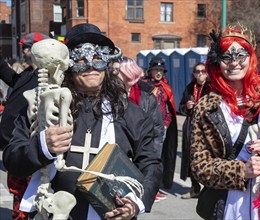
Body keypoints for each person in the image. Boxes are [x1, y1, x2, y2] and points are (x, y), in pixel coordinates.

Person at [3, 23, 162, 219]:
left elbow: (151, 163)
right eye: (80, 59)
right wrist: (42, 145)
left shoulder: (130, 114)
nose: (91, 66)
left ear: (108, 62)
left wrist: (136, 203)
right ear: (67, 64)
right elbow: (12, 159)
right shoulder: (42, 108)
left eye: (98, 58)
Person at [190, 24, 260, 219]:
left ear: (251, 58)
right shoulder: (206, 106)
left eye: (241, 56)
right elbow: (199, 167)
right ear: (217, 62)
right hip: (231, 202)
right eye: (226, 57)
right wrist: (241, 171)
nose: (234, 63)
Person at [0, 32, 49, 220]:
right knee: (18, 197)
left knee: (30, 200)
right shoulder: (28, 73)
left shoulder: (48, 76)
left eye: (28, 47)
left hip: (31, 147)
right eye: (24, 47)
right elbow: (9, 76)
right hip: (16, 145)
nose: (25, 51)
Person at [115, 57, 164, 163]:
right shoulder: (110, 96)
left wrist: (151, 161)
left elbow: (157, 130)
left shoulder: (147, 97)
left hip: (142, 154)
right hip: (117, 154)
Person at [145, 56, 178, 200]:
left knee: (156, 160)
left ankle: (154, 189)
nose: (158, 73)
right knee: (143, 158)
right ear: (150, 71)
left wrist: (165, 124)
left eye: (160, 70)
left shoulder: (166, 89)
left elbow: (169, 110)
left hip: (160, 131)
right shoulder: (143, 85)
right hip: (144, 128)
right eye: (155, 70)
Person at [179, 62, 211, 199]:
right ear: (194, 74)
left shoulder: (211, 87)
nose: (200, 73)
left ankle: (210, 190)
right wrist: (186, 106)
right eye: (197, 71)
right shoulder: (189, 87)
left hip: (207, 126)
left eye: (203, 71)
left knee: (208, 157)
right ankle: (195, 188)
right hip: (192, 124)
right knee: (192, 157)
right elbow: (181, 107)